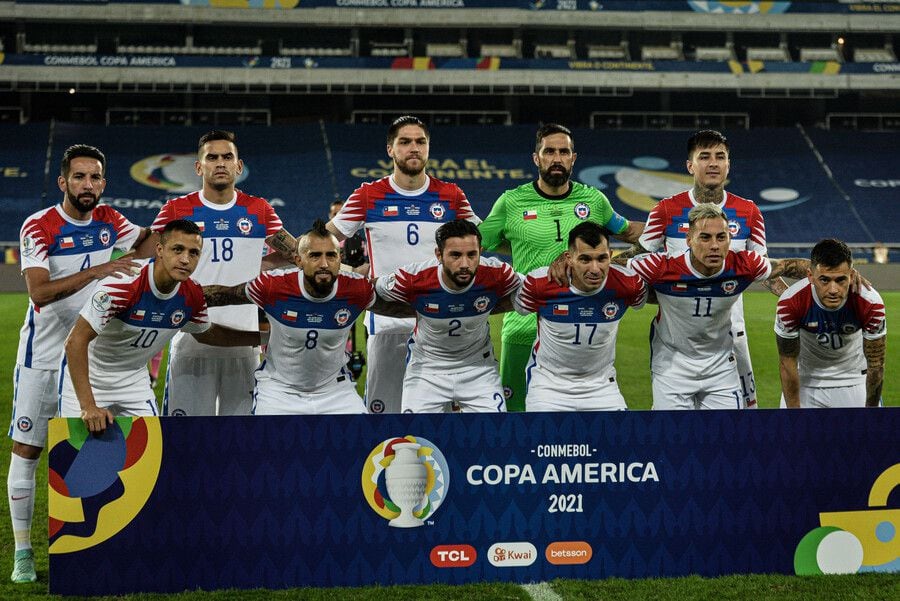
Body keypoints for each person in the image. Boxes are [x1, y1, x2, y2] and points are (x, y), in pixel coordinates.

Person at [6, 144, 152, 584]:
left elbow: (151, 241)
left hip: (90, 360)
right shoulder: (40, 226)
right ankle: (24, 553)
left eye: (94, 179)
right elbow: (39, 293)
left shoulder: (111, 221)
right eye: (79, 177)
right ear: (63, 182)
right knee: (28, 450)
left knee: (90, 452)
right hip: (43, 358)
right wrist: (97, 272)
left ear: (104, 184)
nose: (87, 185)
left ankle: (95, 542)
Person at [479, 123, 644, 412]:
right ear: (536, 158)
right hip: (523, 325)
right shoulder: (511, 201)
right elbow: (476, 245)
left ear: (573, 157)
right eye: (549, 151)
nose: (557, 158)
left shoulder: (594, 200)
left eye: (563, 151)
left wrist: (679, 226)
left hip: (577, 324)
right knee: (516, 418)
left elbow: (630, 231)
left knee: (583, 408)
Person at [326, 115, 480, 414]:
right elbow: (324, 239)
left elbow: (482, 238)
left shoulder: (451, 195)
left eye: (420, 142)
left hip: (441, 326)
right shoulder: (368, 195)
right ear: (390, 149)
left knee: (442, 420)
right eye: (405, 142)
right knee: (384, 418)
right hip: (388, 324)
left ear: (428, 148)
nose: (414, 148)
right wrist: (343, 273)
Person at [630, 129, 786, 409]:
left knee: (741, 420)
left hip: (731, 333)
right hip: (678, 336)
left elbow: (765, 272)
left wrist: (796, 298)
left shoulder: (749, 212)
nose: (713, 163)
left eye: (720, 156)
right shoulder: (666, 210)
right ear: (690, 165)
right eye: (704, 156)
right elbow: (639, 260)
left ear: (728, 164)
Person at [150, 130, 298, 416]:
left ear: (238, 166)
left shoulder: (259, 210)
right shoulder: (176, 210)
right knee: (188, 440)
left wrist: (263, 263)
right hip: (191, 340)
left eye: (227, 157)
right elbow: (151, 259)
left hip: (243, 344)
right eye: (212, 157)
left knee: (241, 441)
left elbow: (295, 254)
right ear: (198, 166)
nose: (220, 163)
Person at [196, 221, 406, 414]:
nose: (324, 263)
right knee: (268, 452)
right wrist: (177, 298)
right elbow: (224, 295)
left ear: (339, 259)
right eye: (314, 256)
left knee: (358, 447)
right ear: (298, 260)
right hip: (278, 391)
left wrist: (430, 309)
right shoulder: (273, 286)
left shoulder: (356, 289)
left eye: (331, 255)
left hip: (335, 391)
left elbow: (395, 309)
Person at [625, 203, 809, 410]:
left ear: (729, 240)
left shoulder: (742, 265)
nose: (714, 245)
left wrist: (840, 273)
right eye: (705, 237)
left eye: (721, 237)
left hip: (721, 368)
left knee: (727, 438)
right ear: (689, 240)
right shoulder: (661, 266)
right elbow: (613, 270)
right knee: (674, 439)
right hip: (671, 368)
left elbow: (787, 266)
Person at [61, 220, 208, 430]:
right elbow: (75, 342)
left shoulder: (193, 295)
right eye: (177, 249)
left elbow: (207, 334)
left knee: (152, 456)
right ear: (159, 249)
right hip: (89, 377)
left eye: (193, 253)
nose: (185, 259)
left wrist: (259, 340)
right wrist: (88, 406)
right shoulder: (122, 284)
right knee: (78, 457)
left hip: (134, 380)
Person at [373, 219, 520, 413]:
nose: (465, 264)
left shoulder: (498, 274)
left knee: (493, 436)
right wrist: (413, 309)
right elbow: (369, 293)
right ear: (438, 255)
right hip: (427, 370)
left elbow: (533, 290)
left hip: (478, 368)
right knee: (416, 440)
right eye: (455, 255)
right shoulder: (414, 279)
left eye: (472, 254)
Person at [512, 222, 647, 411]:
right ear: (569, 257)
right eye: (585, 259)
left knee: (620, 439)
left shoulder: (629, 284)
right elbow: (506, 303)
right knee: (546, 440)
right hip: (548, 386)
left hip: (602, 387)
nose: (594, 269)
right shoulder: (541, 283)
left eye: (602, 259)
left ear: (610, 255)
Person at [775, 239, 886, 408]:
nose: (833, 290)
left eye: (841, 280)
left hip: (854, 380)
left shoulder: (870, 302)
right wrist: (793, 413)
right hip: (806, 382)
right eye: (825, 280)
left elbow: (876, 365)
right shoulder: (790, 302)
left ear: (851, 275)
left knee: (865, 434)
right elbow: (787, 361)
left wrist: (870, 413)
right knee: (794, 434)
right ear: (810, 276)